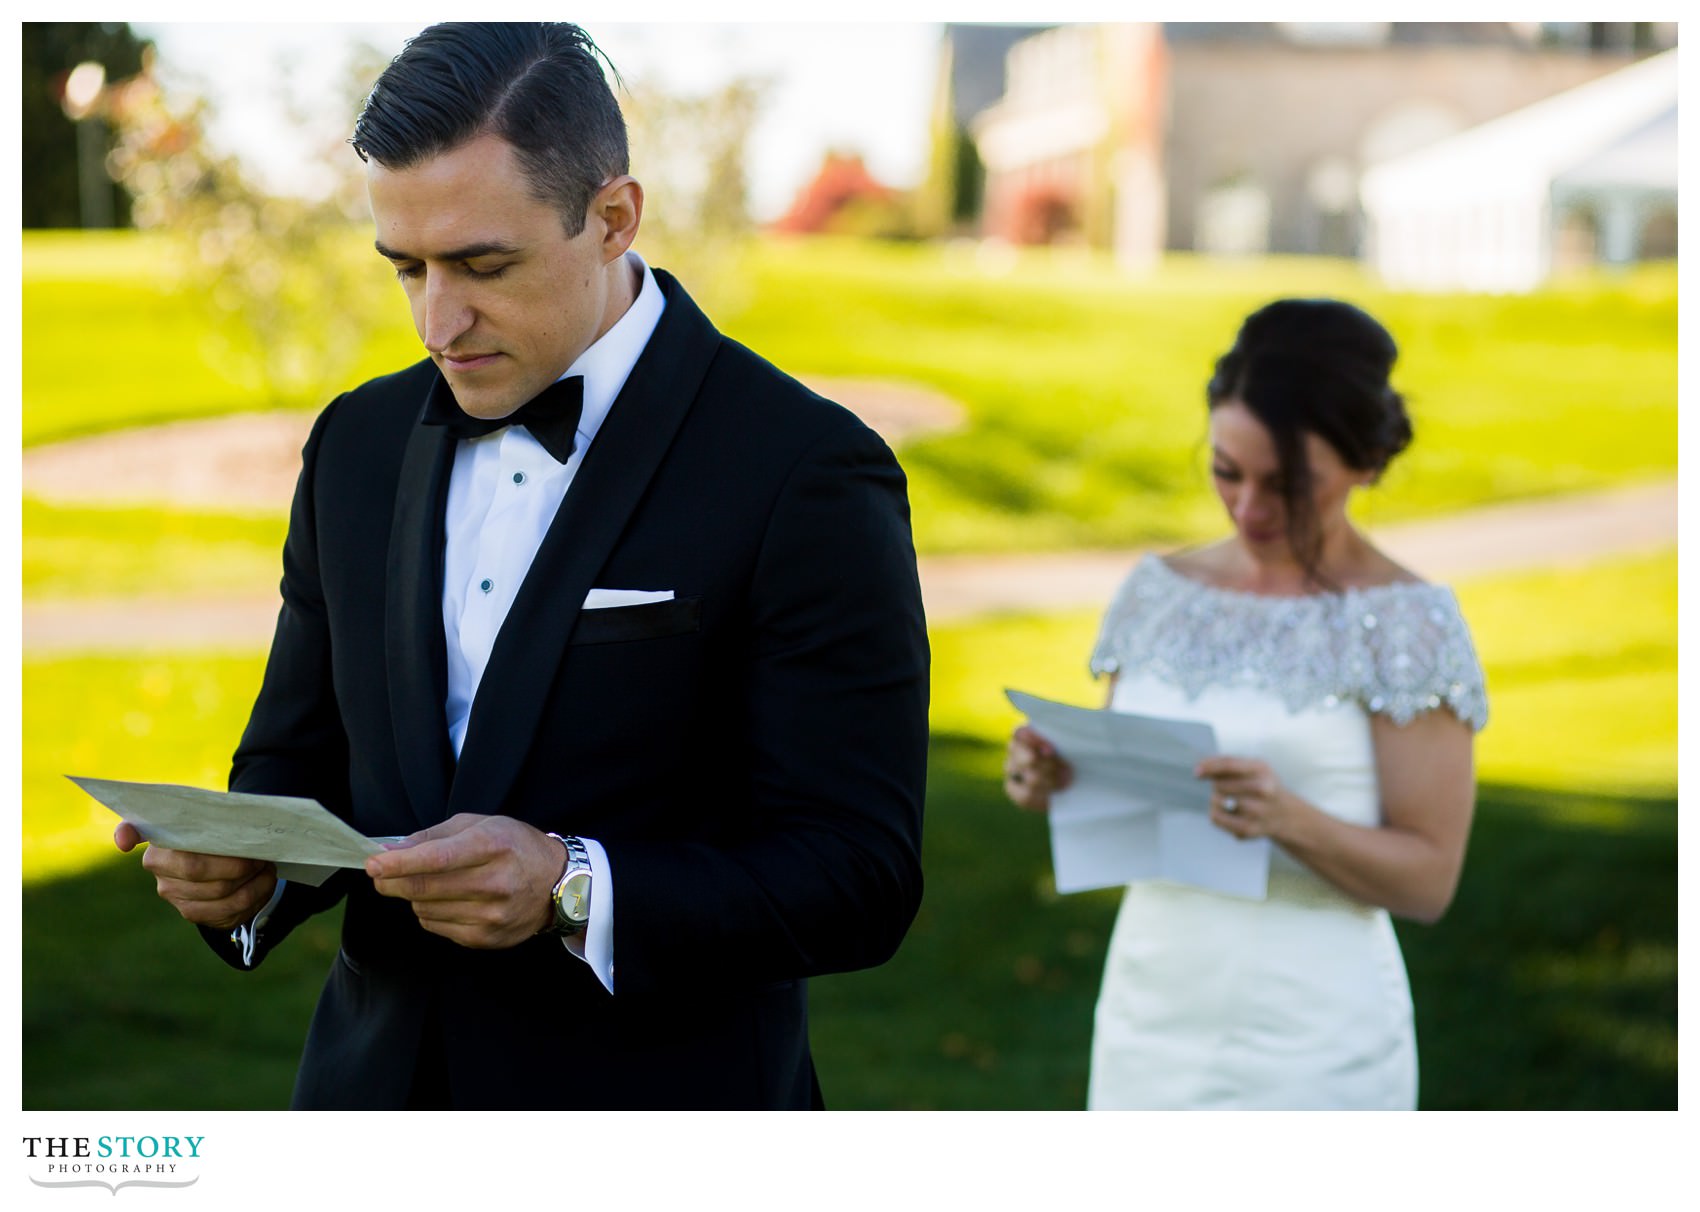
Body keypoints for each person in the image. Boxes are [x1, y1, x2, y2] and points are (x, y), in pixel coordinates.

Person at [113, 21, 928, 1110]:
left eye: (481, 265)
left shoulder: (803, 470)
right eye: (405, 268)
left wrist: (574, 888)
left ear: (612, 217)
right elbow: (295, 764)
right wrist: (244, 873)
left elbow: (858, 877)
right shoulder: (353, 446)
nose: (437, 322)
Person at [1004, 298, 1486, 1110]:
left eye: (1287, 484)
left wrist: (1288, 818)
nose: (1251, 509)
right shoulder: (1158, 593)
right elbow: (1129, 804)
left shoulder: (1409, 622)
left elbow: (1430, 882)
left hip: (1314, 1033)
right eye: (1227, 472)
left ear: (1366, 460)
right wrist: (1050, 778)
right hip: (1149, 1011)